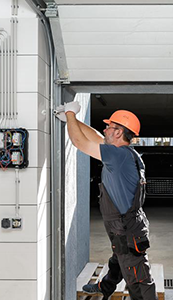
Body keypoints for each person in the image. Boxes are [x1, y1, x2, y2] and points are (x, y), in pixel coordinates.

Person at [56, 102, 157, 300]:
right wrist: (72, 120)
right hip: (126, 225)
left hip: (126, 228)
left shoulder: (117, 155)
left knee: (138, 279)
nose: (105, 129)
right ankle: (106, 286)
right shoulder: (123, 154)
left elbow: (79, 142)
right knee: (118, 259)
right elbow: (96, 137)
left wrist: (69, 114)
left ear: (119, 132)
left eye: (109, 126)